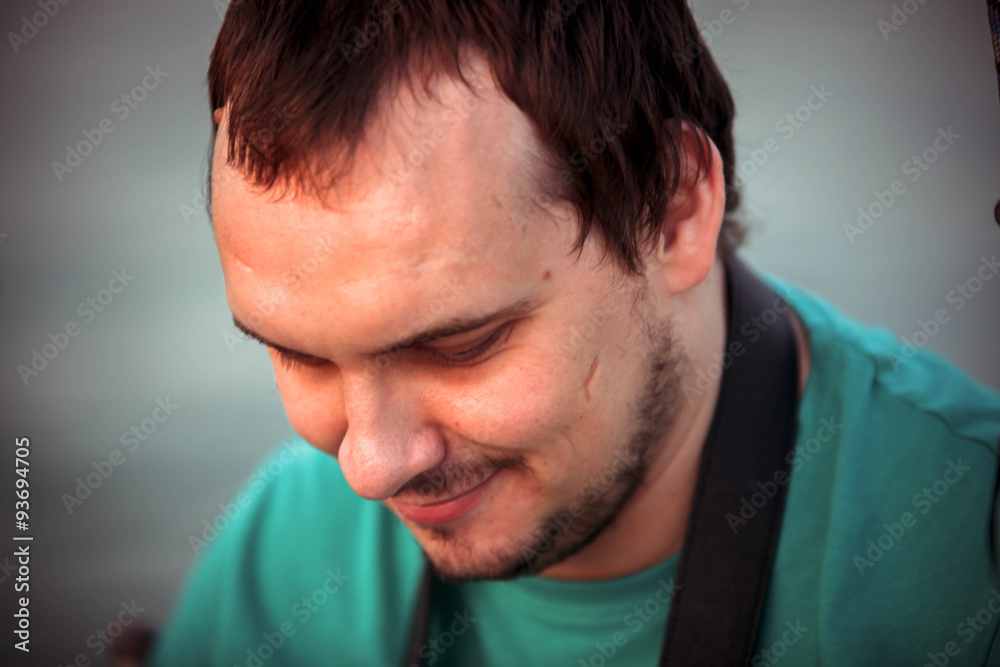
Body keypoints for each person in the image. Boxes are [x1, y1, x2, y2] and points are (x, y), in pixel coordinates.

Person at [150, 1, 1000, 665]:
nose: (369, 467)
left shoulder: (969, 552)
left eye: (460, 345)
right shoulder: (281, 550)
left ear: (673, 208)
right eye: (299, 354)